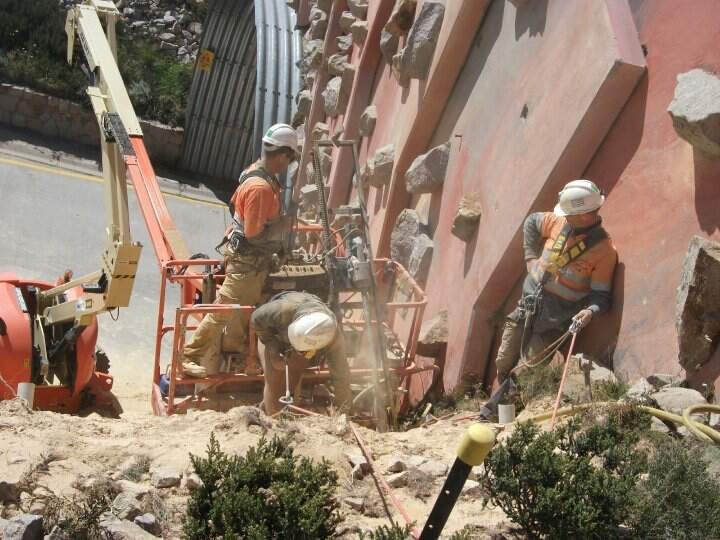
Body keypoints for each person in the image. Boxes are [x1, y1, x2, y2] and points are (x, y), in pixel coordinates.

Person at [182, 123, 298, 379]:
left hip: (249, 260)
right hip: (247, 262)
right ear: (282, 155)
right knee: (224, 309)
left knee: (244, 309)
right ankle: (188, 355)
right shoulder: (261, 188)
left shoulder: (257, 172)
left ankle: (240, 351)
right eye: (289, 160)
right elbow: (254, 234)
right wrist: (282, 225)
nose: (287, 166)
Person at [494, 179, 618, 385]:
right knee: (504, 359)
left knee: (526, 373)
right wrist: (530, 257)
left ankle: (509, 407)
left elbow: (601, 297)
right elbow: (532, 222)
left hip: (552, 321)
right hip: (527, 305)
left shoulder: (604, 251)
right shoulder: (559, 223)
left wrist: (590, 311)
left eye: (569, 214)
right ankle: (499, 399)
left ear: (585, 215)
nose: (565, 217)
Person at [250, 291, 352, 415]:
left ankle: (281, 413)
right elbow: (256, 319)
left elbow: (341, 375)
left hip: (302, 338)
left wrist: (343, 410)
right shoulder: (281, 310)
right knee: (274, 376)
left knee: (294, 373)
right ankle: (269, 412)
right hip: (274, 331)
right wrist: (273, 347)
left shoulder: (333, 338)